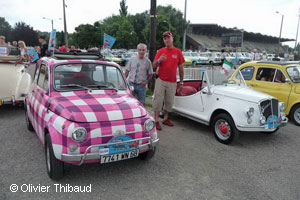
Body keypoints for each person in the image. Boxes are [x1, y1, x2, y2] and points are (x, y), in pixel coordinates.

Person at [152, 31, 184, 130]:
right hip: (161, 80)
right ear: (163, 40)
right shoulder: (160, 51)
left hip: (172, 81)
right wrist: (159, 60)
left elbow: (181, 68)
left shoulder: (178, 52)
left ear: (172, 38)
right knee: (158, 100)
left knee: (169, 101)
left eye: (168, 38)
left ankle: (165, 119)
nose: (167, 40)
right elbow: (153, 66)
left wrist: (181, 82)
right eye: (165, 38)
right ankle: (156, 120)